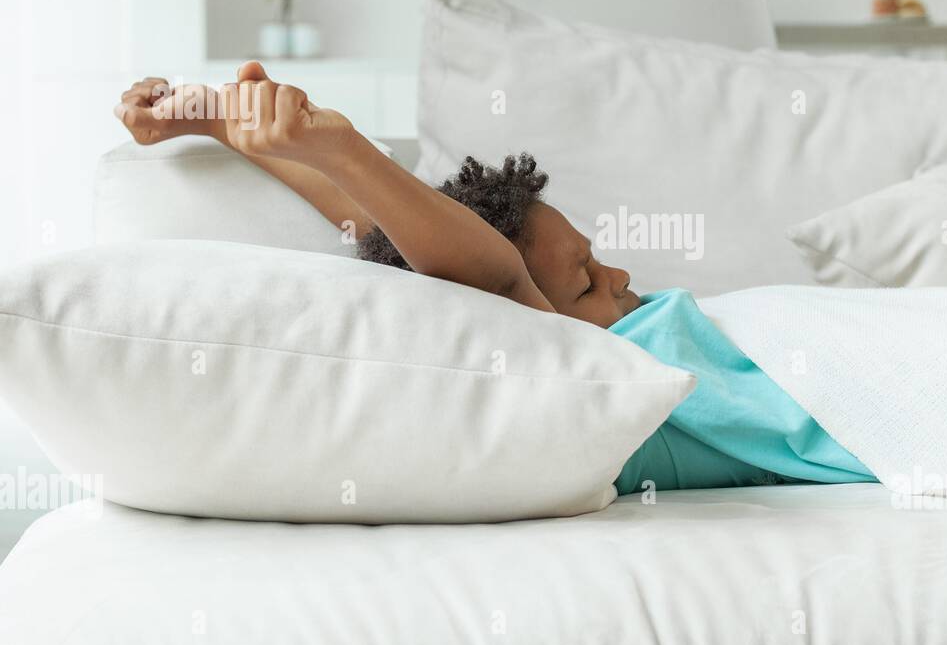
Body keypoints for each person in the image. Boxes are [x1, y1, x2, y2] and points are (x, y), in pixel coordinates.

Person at [115, 62, 877, 494]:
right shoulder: (605, 382)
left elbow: (376, 227)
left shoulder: (628, 325)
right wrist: (342, 148)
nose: (618, 273)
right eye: (585, 283)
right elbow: (490, 280)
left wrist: (210, 117)